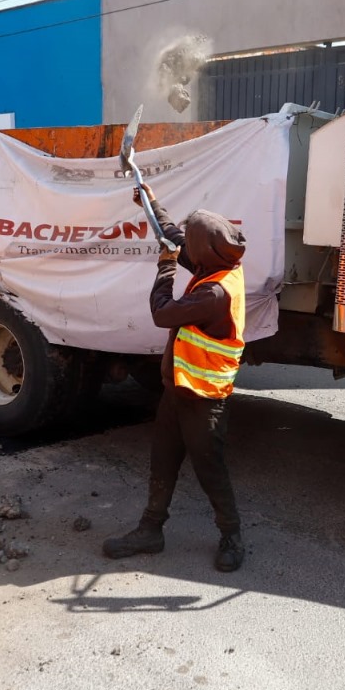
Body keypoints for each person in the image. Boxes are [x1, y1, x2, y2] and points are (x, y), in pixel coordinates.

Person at [102, 183, 248, 573]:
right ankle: (151, 530)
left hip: (205, 399)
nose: (185, 249)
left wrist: (166, 266)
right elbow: (172, 236)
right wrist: (149, 202)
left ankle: (232, 536)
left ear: (202, 252)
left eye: (190, 245)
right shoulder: (217, 263)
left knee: (210, 470)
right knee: (163, 461)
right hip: (178, 391)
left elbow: (162, 313)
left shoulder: (215, 292)